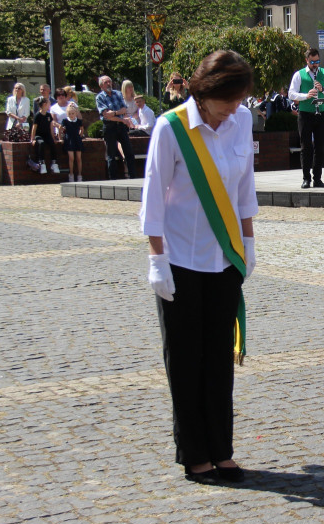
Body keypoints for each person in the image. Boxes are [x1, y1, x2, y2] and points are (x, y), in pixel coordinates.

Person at [140, 50, 258, 486]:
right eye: (229, 99)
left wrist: (247, 242)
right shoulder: (172, 128)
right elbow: (153, 197)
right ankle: (194, 453)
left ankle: (221, 450)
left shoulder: (240, 122)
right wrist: (157, 259)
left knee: (219, 360)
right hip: (181, 260)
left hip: (223, 255)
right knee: (186, 359)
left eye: (240, 99)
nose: (235, 108)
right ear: (205, 93)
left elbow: (244, 185)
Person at [288, 48, 324, 189]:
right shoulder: (299, 75)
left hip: (320, 113)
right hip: (305, 114)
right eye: (312, 62)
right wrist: (305, 96)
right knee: (306, 147)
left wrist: (322, 89)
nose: (315, 65)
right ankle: (306, 179)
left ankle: (318, 179)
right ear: (307, 61)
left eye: (317, 61)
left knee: (319, 147)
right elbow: (291, 94)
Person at [96, 75, 134, 179]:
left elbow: (124, 109)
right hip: (110, 127)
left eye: (109, 82)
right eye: (105, 82)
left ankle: (133, 176)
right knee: (111, 155)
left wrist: (114, 113)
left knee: (129, 152)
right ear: (101, 86)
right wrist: (120, 117)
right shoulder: (100, 97)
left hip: (121, 127)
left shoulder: (117, 94)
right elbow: (106, 116)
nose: (108, 84)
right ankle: (113, 179)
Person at [30, 97, 61, 174]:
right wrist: (32, 139)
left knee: (52, 143)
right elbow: (34, 128)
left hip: (47, 135)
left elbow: (51, 127)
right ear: (44, 105)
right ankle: (42, 163)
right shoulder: (37, 115)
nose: (50, 105)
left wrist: (53, 137)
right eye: (49, 104)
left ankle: (54, 163)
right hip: (39, 135)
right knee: (41, 143)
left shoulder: (48, 115)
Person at [61, 103, 84, 182]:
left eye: (73, 113)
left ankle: (79, 175)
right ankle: (71, 174)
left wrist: (80, 135)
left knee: (78, 158)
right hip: (69, 140)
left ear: (76, 113)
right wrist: (60, 137)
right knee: (71, 158)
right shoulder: (65, 121)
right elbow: (61, 128)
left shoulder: (78, 121)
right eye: (70, 113)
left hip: (77, 140)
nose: (71, 115)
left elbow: (82, 129)